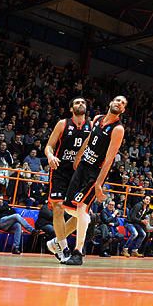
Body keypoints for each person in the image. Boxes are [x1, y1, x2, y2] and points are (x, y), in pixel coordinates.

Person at [61, 96, 126, 266]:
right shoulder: (97, 119)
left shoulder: (118, 129)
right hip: (83, 165)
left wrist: (98, 184)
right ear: (110, 102)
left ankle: (77, 252)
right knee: (69, 207)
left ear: (123, 110)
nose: (119, 103)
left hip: (95, 172)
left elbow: (110, 158)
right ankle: (86, 222)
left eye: (123, 103)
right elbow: (89, 140)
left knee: (81, 208)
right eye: (118, 100)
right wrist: (79, 155)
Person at [43, 97, 91, 262]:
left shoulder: (91, 127)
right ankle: (63, 248)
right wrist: (50, 155)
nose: (80, 104)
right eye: (77, 102)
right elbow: (49, 146)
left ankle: (56, 241)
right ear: (71, 108)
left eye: (83, 103)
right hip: (60, 170)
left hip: (80, 173)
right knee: (58, 207)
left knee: (81, 213)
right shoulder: (63, 124)